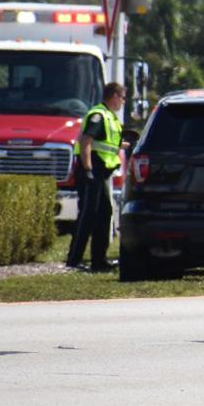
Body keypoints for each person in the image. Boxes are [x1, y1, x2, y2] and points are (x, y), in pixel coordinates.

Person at [65, 82, 127, 272]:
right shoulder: (99, 115)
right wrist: (88, 169)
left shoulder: (109, 116)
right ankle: (74, 260)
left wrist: (121, 145)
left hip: (101, 171)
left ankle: (99, 260)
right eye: (123, 98)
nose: (123, 102)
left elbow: (104, 144)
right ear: (114, 96)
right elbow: (85, 142)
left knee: (104, 214)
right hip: (92, 171)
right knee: (88, 215)